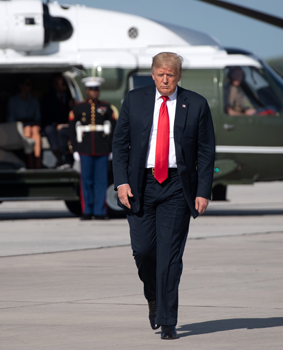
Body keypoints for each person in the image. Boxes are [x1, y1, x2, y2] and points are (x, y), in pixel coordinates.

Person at [112, 52, 215, 339]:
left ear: (179, 76)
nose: (165, 79)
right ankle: (153, 295)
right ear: (153, 74)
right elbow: (119, 145)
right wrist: (121, 183)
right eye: (160, 74)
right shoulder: (135, 99)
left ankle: (168, 320)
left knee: (169, 256)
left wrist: (203, 191)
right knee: (144, 250)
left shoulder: (196, 104)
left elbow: (207, 152)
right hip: (141, 185)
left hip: (177, 187)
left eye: (171, 74)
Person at [68, 77, 118, 220]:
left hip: (102, 149)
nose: (94, 92)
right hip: (84, 149)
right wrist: (74, 149)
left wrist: (112, 148)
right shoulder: (78, 108)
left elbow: (113, 129)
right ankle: (87, 211)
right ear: (86, 91)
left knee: (101, 182)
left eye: (96, 89)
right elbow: (72, 129)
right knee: (86, 181)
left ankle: (100, 211)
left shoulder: (107, 108)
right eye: (91, 90)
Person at [40, 75, 74, 168]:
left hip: (68, 124)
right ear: (55, 85)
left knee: (63, 132)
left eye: (64, 83)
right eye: (61, 83)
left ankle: (67, 158)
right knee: (50, 130)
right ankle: (59, 157)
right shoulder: (48, 97)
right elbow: (45, 116)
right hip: (53, 124)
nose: (63, 85)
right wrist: (56, 124)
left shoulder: (71, 96)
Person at [8, 77, 42, 168]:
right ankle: (30, 162)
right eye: (27, 84)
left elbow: (37, 117)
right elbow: (11, 118)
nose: (29, 87)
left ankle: (37, 162)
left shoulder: (34, 100)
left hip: (32, 125)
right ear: (21, 86)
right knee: (27, 129)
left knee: (34, 129)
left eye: (30, 84)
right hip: (19, 126)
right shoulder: (13, 100)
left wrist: (36, 123)